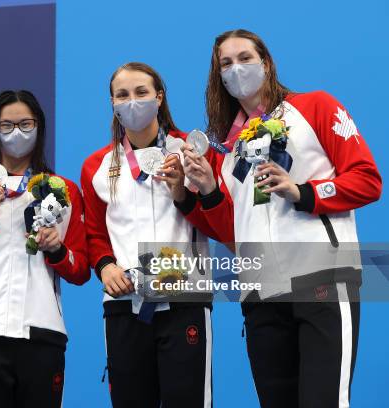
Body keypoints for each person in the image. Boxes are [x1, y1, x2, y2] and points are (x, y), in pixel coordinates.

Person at [182, 29, 382, 407]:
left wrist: (303, 192)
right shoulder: (229, 147)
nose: (236, 69)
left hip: (322, 279)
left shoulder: (315, 107)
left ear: (267, 63)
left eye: (245, 58)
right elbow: (234, 233)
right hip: (260, 293)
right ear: (218, 76)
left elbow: (368, 180)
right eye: (226, 63)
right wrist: (209, 189)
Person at [0, 90, 89, 408]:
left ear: (39, 127)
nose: (16, 133)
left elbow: (80, 270)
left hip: (43, 331)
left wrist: (57, 250)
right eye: (6, 125)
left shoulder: (63, 189)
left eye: (25, 123)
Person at [81, 62, 215, 408]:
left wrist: (183, 193)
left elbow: (217, 219)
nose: (132, 101)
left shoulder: (191, 150)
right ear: (112, 102)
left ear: (159, 97)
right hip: (125, 304)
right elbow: (95, 234)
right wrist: (106, 266)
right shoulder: (97, 165)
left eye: (141, 92)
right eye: (122, 95)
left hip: (185, 298)